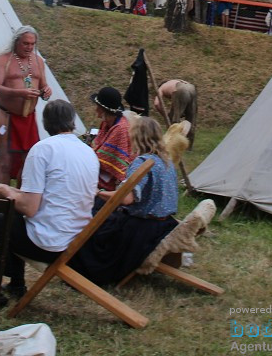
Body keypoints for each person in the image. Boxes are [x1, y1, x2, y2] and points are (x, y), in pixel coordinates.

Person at [0, 100, 97, 322]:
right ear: (72, 122)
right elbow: (49, 197)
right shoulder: (88, 152)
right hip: (74, 239)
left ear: (45, 124)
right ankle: (16, 284)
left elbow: (29, 207)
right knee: (11, 214)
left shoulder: (44, 149)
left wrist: (7, 191)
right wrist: (14, 194)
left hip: (47, 242)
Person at [69, 117, 180, 285]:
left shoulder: (142, 162)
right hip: (165, 226)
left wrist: (98, 192)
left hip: (142, 231)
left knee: (94, 229)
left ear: (137, 137)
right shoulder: (167, 161)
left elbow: (126, 199)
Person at [0, 26, 53, 186]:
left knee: (28, 162)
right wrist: (19, 93)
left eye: (32, 44)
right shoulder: (3, 60)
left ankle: (18, 201)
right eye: (25, 43)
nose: (29, 47)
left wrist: (46, 91)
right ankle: (1, 204)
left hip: (29, 118)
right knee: (5, 162)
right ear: (16, 41)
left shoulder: (38, 61)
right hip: (7, 118)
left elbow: (43, 86)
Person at [90, 86, 135, 196]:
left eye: (98, 107)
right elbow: (97, 144)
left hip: (111, 181)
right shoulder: (106, 123)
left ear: (104, 110)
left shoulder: (120, 128)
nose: (96, 110)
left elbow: (104, 158)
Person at [154, 78, 197, 148]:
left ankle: (173, 144)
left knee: (174, 120)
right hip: (192, 88)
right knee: (191, 119)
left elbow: (156, 103)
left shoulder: (161, 87)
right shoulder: (176, 81)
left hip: (180, 90)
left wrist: (165, 115)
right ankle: (189, 146)